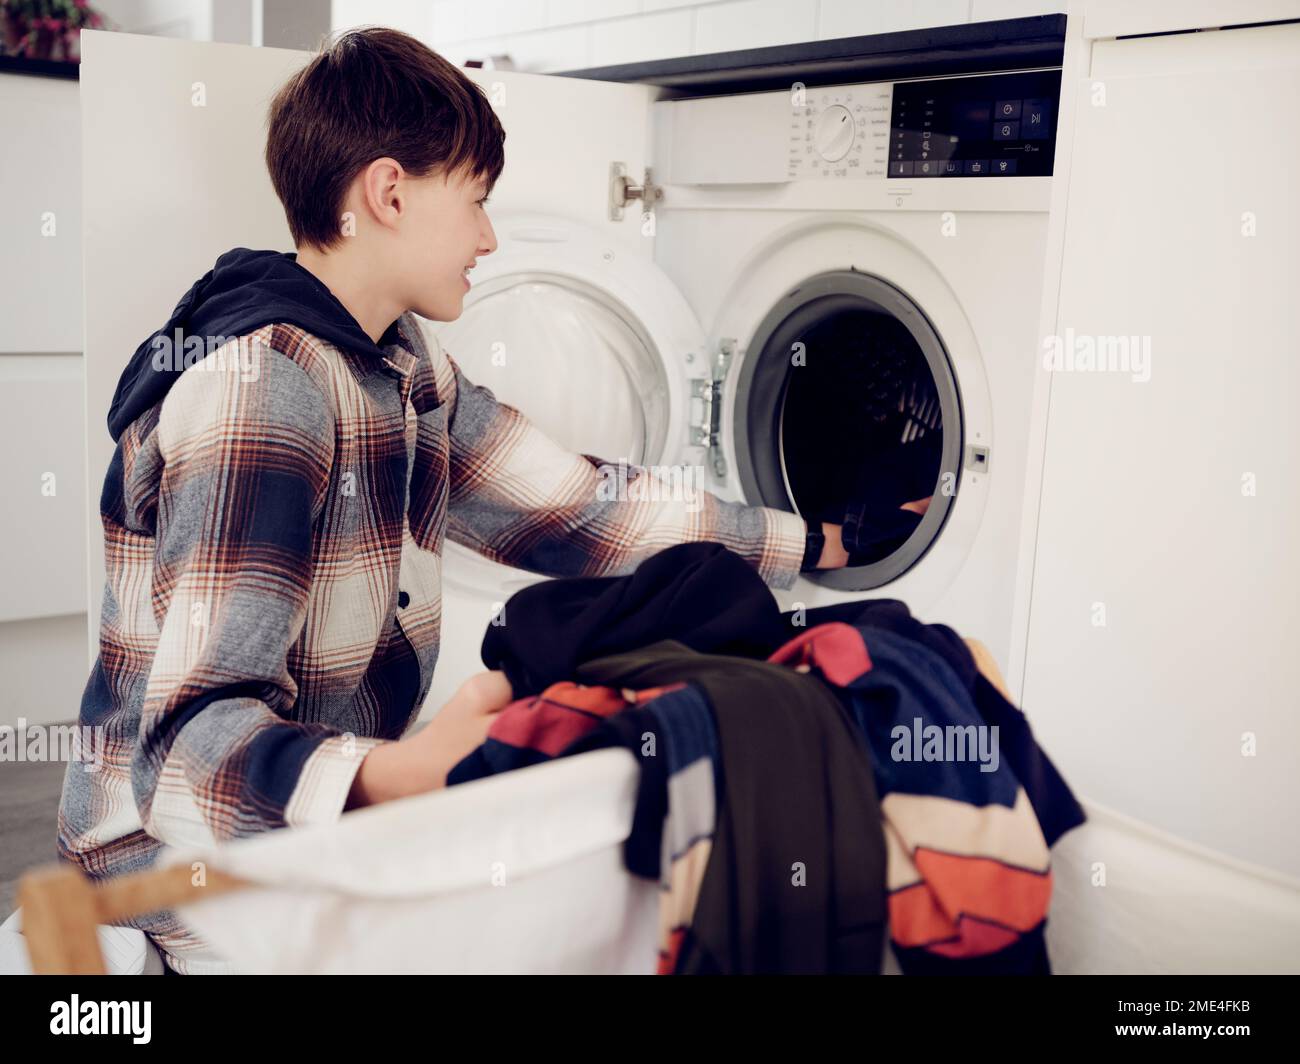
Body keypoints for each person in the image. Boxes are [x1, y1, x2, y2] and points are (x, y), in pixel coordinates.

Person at [55, 27, 853, 974]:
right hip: (184, 877)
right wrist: (403, 773)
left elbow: (580, 507)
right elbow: (190, 751)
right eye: (474, 200)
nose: (488, 237)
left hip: (312, 832)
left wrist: (813, 542)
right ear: (388, 194)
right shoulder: (261, 393)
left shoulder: (401, 364)